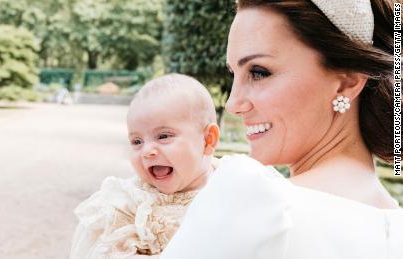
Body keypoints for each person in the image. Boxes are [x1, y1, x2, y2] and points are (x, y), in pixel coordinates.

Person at [160, 0, 403, 258]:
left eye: (259, 72)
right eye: (234, 74)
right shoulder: (396, 228)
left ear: (347, 82)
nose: (233, 103)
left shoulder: (255, 200)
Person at [70, 73, 220, 259]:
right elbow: (105, 250)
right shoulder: (130, 201)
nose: (147, 151)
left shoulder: (229, 187)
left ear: (208, 139)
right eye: (137, 141)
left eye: (163, 136)